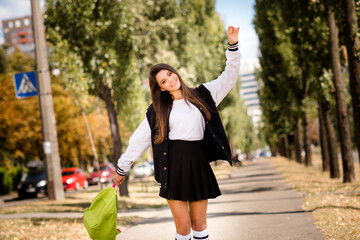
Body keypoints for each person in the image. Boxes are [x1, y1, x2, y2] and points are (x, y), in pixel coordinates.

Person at [114, 25, 240, 240]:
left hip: (198, 162)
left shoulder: (204, 94)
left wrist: (232, 45)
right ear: (161, 88)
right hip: (171, 166)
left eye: (170, 74)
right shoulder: (157, 111)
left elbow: (229, 75)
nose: (170, 80)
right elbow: (140, 139)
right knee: (183, 228)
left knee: (200, 224)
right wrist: (122, 168)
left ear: (176, 72)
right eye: (164, 81)